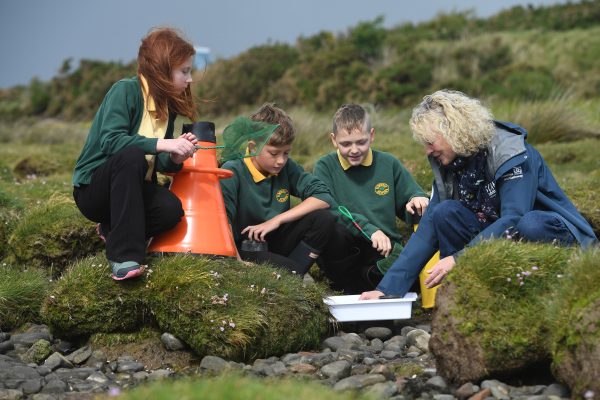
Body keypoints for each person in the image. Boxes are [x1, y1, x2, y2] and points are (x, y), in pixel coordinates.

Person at [360, 89, 598, 299]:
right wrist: (386, 289)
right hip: (497, 238)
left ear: (453, 131)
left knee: (530, 223)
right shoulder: (450, 165)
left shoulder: (510, 153)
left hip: (549, 231)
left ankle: (558, 287)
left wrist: (458, 258)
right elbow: (426, 230)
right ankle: (466, 291)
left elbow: (514, 218)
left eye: (430, 142)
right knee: (444, 213)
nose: (427, 151)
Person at [72, 27, 199, 281]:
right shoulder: (125, 91)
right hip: (94, 190)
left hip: (132, 190)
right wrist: (164, 144)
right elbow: (111, 141)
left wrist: (175, 157)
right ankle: (124, 257)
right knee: (131, 155)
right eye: (184, 71)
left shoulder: (168, 107)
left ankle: (112, 228)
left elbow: (157, 159)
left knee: (171, 210)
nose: (190, 79)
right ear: (162, 69)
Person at [314, 104, 429, 293]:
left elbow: (411, 195)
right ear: (334, 140)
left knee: (408, 276)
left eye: (361, 142)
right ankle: (349, 287)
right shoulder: (325, 167)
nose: (354, 150)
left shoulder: (388, 163)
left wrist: (417, 199)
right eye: (346, 144)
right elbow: (330, 208)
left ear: (372, 135)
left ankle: (371, 284)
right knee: (331, 227)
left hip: (383, 249)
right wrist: (370, 230)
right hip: (347, 249)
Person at [220, 103, 337, 275]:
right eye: (274, 153)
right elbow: (223, 221)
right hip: (245, 247)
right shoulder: (232, 170)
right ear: (253, 147)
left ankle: (293, 275)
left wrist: (276, 221)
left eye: (286, 153)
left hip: (275, 239)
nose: (281, 161)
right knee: (290, 271)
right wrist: (237, 263)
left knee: (324, 219)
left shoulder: (287, 167)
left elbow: (324, 197)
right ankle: (292, 274)